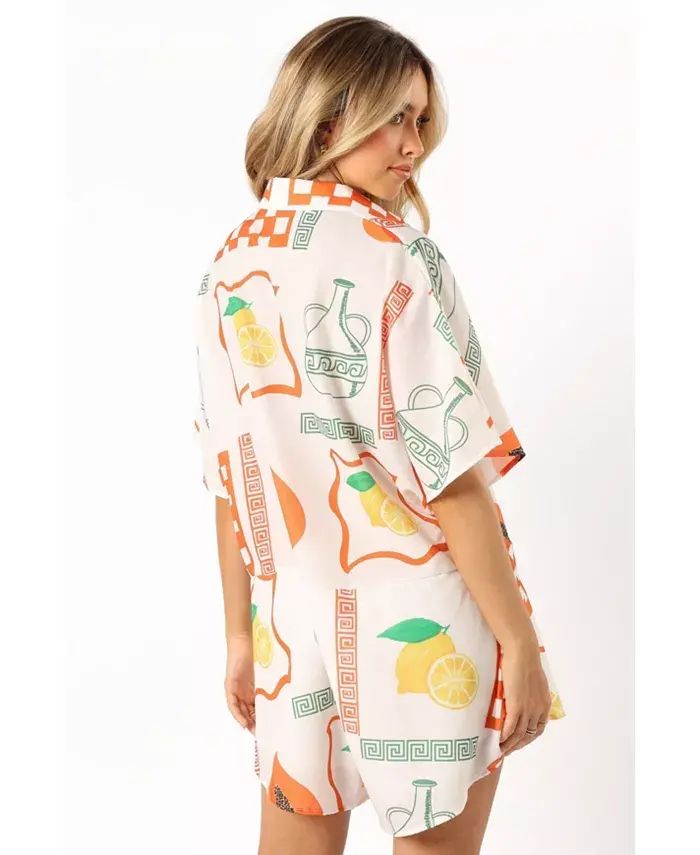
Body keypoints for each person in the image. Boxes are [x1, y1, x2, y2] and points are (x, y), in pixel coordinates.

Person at [193, 15, 566, 855]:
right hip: (423, 615)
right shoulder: (401, 256)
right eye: (394, 117)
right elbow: (450, 477)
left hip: (292, 622)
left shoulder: (230, 265)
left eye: (420, 120)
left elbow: (231, 478)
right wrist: (518, 642)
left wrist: (239, 637)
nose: (413, 145)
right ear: (328, 116)